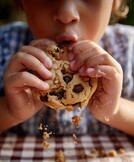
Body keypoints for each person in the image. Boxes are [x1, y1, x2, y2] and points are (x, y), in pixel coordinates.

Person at [0, 0, 134, 136]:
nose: (66, 14)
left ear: (114, 2)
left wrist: (116, 111)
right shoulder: (4, 46)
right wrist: (9, 111)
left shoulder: (129, 49)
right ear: (21, 2)